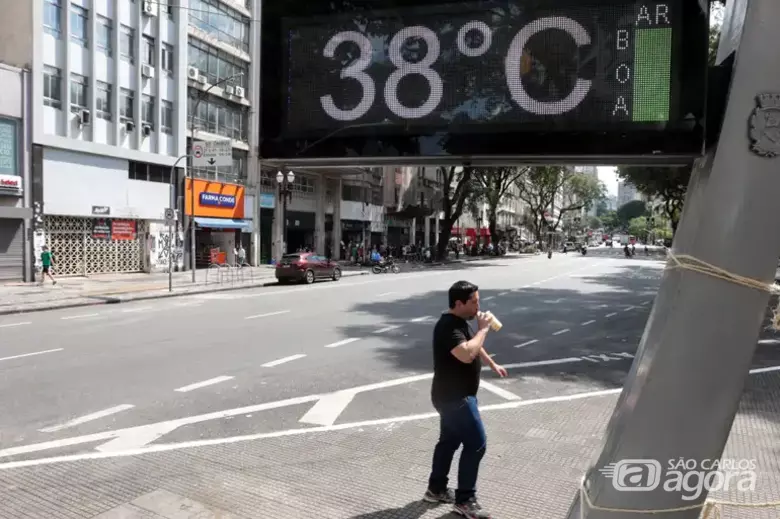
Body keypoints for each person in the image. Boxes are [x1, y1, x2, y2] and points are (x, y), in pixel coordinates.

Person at [424, 281, 507, 519]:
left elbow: (475, 347)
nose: (478, 306)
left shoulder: (460, 323)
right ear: (458, 304)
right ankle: (465, 500)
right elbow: (466, 353)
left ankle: (436, 489)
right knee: (477, 443)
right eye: (474, 302)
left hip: (450, 395)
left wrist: (492, 364)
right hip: (455, 398)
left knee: (448, 442)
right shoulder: (448, 327)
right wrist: (483, 329)